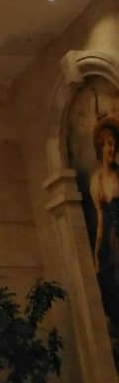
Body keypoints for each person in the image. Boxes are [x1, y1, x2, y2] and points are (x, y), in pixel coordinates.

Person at [89, 116, 119, 274]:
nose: (113, 149)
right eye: (109, 144)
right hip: (113, 241)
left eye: (115, 145)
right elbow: (101, 220)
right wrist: (96, 253)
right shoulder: (97, 181)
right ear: (101, 147)